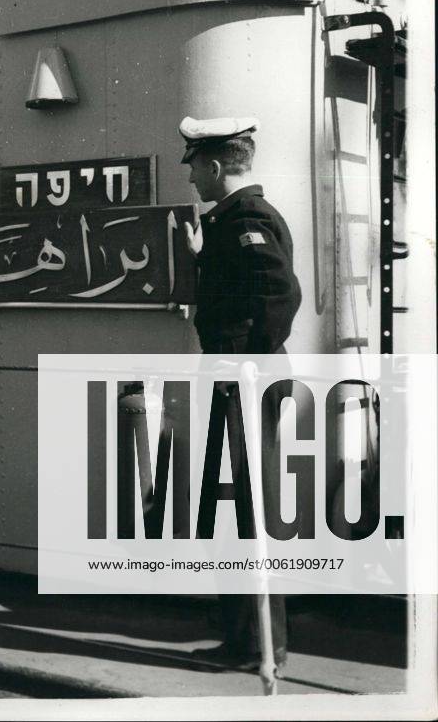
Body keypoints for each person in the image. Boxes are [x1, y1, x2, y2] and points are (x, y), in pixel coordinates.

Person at [179, 116, 301, 672]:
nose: (192, 180)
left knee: (254, 512)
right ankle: (245, 640)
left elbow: (278, 294)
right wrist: (204, 256)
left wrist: (249, 362)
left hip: (246, 382)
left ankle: (263, 646)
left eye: (195, 168)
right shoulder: (229, 221)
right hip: (238, 379)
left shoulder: (248, 218)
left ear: (215, 164)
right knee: (238, 509)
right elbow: (240, 288)